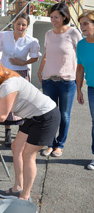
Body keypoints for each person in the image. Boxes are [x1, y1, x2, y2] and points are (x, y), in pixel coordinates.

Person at [0, 53, 60, 201]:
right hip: (32, 116)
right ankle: (17, 188)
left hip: (46, 116)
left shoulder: (7, 85)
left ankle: (25, 196)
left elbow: (1, 116)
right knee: (16, 147)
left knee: (28, 155)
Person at [37, 3, 82, 157]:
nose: (53, 20)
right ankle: (49, 144)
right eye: (51, 17)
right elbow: (47, 53)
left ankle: (60, 145)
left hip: (67, 81)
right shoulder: (48, 34)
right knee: (49, 114)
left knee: (64, 115)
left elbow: (80, 58)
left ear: (64, 17)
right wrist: (40, 70)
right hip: (48, 80)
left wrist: (80, 81)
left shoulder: (74, 33)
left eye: (56, 17)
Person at [0, 12, 41, 147]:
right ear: (14, 23)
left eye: (23, 25)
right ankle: (7, 132)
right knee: (6, 102)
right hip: (5, 74)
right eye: (18, 23)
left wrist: (22, 63)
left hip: (21, 74)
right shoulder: (4, 35)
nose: (20, 27)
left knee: (21, 104)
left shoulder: (32, 41)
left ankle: (22, 132)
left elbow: (35, 57)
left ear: (27, 26)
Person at [76, 11, 94, 170]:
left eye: (86, 23)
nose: (82, 27)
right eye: (81, 24)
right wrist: (79, 90)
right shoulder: (81, 45)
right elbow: (80, 69)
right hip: (92, 88)